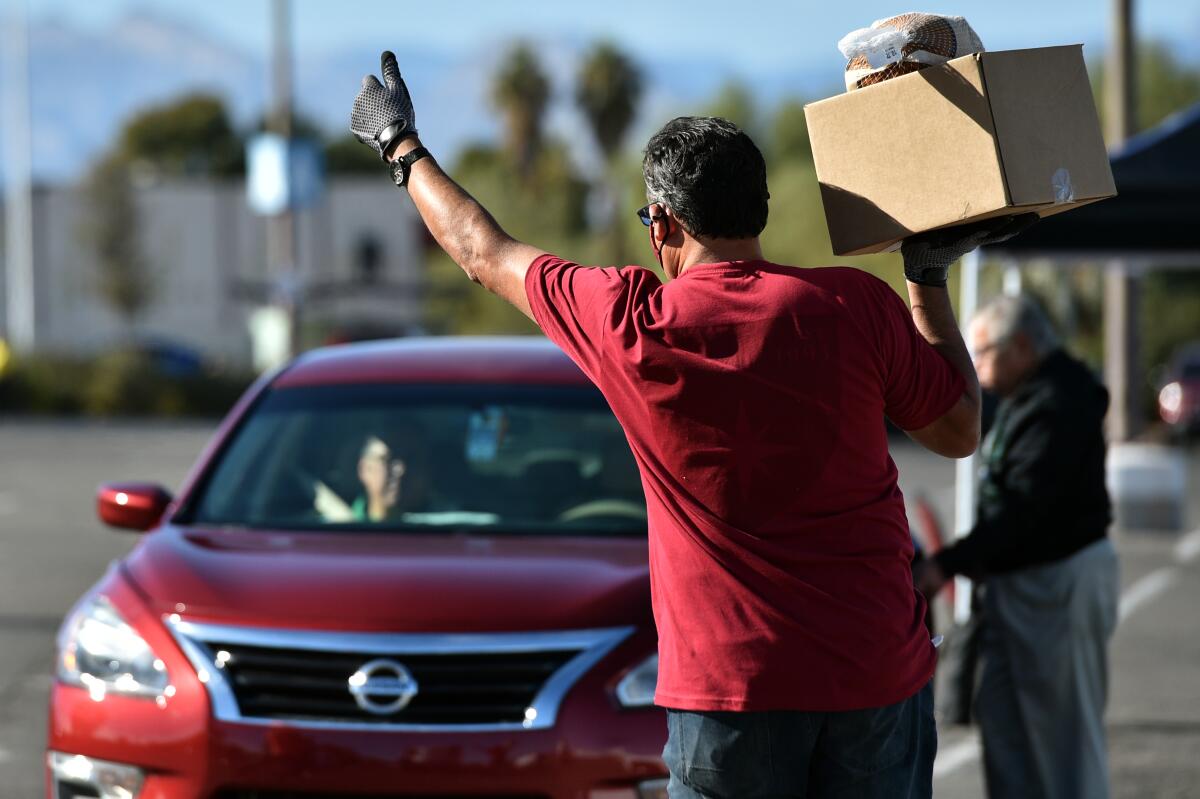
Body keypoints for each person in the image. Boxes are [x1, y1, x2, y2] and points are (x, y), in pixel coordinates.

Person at [350, 51, 1033, 798]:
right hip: (874, 677)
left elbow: (483, 251)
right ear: (760, 209)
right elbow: (960, 429)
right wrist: (926, 278)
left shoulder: (630, 320)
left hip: (730, 695)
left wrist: (400, 146)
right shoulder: (855, 307)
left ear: (665, 223)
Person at [914, 295, 1118, 799]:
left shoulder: (1059, 401)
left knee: (1064, 741)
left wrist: (948, 564)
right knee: (1002, 719)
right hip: (1016, 584)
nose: (976, 367)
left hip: (1058, 581)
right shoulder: (1028, 394)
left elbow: (1024, 510)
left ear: (1022, 346)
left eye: (983, 355)